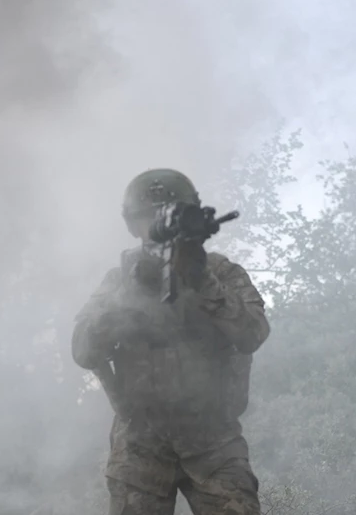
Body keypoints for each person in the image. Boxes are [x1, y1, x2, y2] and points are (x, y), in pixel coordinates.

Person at [71, 168, 270, 515]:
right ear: (134, 226)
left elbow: (253, 333)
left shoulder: (220, 273)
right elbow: (83, 350)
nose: (157, 226)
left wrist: (201, 279)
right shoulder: (119, 280)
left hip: (213, 441)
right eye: (148, 218)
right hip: (140, 444)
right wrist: (129, 298)